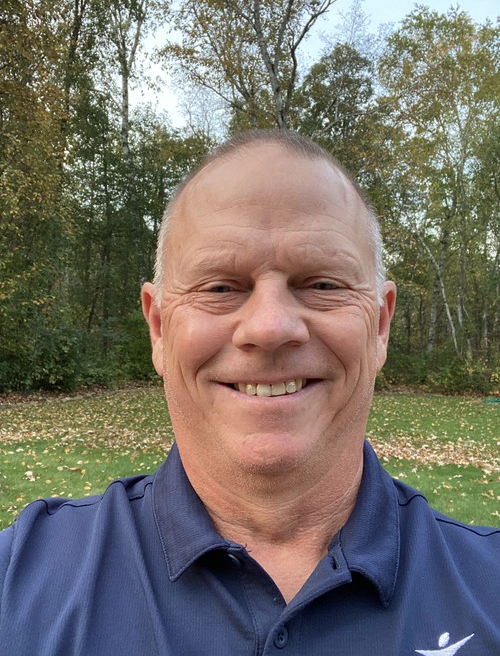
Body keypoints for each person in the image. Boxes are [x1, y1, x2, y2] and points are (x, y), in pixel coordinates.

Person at [0, 130, 498, 655]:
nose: (270, 326)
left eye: (322, 285)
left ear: (379, 326)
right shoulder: (19, 583)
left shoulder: (489, 588)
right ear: (159, 328)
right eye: (220, 287)